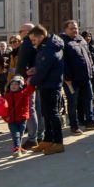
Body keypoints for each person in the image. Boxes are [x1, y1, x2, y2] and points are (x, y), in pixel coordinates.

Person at [27, 25, 65, 155]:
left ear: (41, 36)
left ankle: (58, 142)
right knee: (46, 113)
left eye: (34, 40)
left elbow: (45, 69)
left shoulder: (49, 48)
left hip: (51, 85)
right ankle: (48, 140)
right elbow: (44, 66)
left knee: (52, 114)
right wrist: (35, 70)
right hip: (46, 84)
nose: (33, 43)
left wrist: (32, 80)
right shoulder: (47, 46)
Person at [60, 20, 94, 134]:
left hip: (86, 76)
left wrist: (93, 72)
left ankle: (90, 122)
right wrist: (66, 76)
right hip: (71, 80)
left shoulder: (81, 39)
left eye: (76, 28)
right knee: (73, 103)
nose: (75, 30)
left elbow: (88, 57)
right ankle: (74, 125)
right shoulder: (62, 42)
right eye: (72, 28)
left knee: (89, 99)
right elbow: (61, 61)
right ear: (66, 29)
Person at [14, 23, 42, 149]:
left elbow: (21, 64)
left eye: (21, 31)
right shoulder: (39, 43)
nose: (19, 33)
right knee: (39, 108)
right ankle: (40, 134)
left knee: (30, 109)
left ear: (27, 32)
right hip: (40, 78)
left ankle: (32, 138)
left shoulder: (26, 43)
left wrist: (19, 79)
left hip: (29, 81)